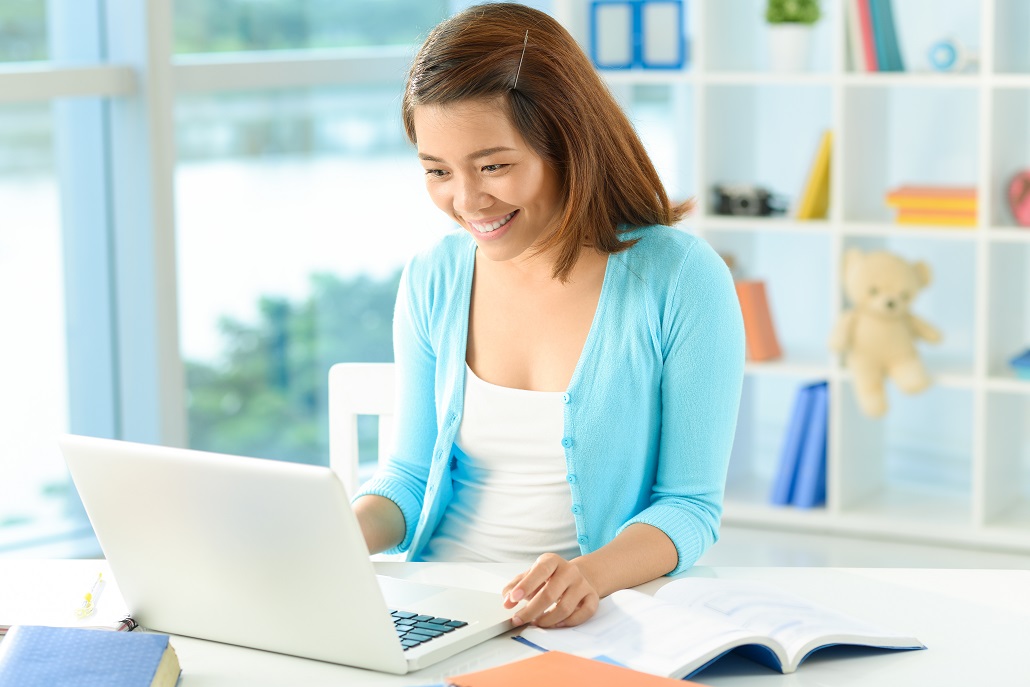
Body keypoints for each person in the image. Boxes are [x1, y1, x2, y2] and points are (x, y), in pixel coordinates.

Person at [352, 2, 744, 629]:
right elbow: (407, 475)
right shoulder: (434, 277)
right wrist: (330, 537)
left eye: (494, 165)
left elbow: (689, 507)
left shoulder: (679, 279)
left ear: (568, 143)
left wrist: (587, 576)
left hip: (592, 617)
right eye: (437, 171)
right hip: (438, 608)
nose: (467, 200)